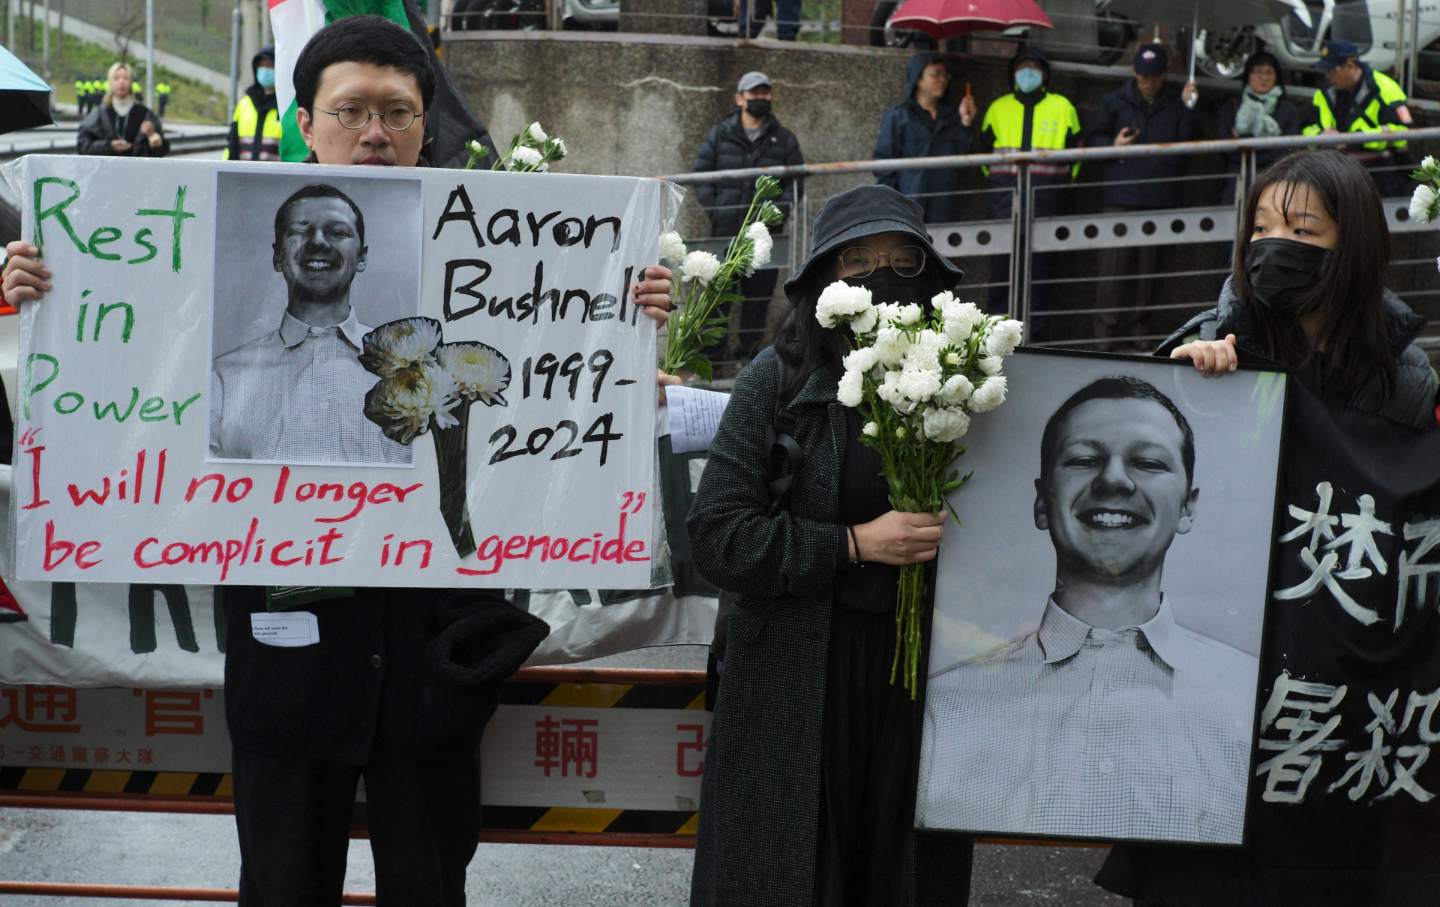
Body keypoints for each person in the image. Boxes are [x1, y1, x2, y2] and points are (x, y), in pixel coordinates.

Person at [4, 15, 675, 906]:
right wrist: (44, 302)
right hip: (286, 673)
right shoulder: (214, 360)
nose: (375, 132)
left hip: (433, 665)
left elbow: (562, 407)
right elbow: (110, 417)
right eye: (351, 109)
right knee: (282, 887)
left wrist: (623, 319)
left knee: (429, 886)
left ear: (425, 131)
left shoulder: (502, 272)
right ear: (306, 126)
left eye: (397, 113)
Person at [1096, 149, 1438, 905]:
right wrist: (1184, 380)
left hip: (1338, 719)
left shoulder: (1407, 378)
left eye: (1301, 228)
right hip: (1220, 714)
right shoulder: (1213, 342)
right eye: (1260, 225)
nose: (1272, 244)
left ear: (1353, 249)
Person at [688, 184, 973, 907]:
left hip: (918, 687)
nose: (880, 275)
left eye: (902, 261)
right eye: (858, 260)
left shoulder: (962, 386)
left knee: (902, 876)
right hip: (799, 675)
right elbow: (717, 536)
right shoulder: (776, 382)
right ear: (822, 279)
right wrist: (851, 544)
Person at [917, 375, 1257, 843]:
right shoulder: (945, 708)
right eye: (1083, 459)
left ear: (1187, 508)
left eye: (1147, 462)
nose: (1114, 480)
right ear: (1042, 501)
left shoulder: (1248, 698)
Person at [210, 184, 410, 465]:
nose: (318, 243)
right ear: (278, 256)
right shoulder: (222, 378)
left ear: (362, 257)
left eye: (338, 232)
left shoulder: (411, 377)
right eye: (301, 231)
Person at [1085, 44, 1199, 348]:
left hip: (1158, 199)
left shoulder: (1176, 103)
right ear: (1134, 72)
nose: (1147, 81)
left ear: (1163, 75)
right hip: (1121, 197)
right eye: (1143, 75)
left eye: (1154, 76)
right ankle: (1105, 335)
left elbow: (1189, 143)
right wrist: (1114, 145)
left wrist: (1190, 106)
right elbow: (1092, 138)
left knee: (1148, 275)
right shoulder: (1114, 101)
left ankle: (1139, 331)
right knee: (1112, 271)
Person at [691, 71, 804, 365]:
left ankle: (748, 362)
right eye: (754, 94)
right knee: (717, 300)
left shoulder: (785, 139)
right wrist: (717, 207)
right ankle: (712, 363)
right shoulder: (720, 134)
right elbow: (701, 175)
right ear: (739, 98)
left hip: (765, 241)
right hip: (725, 234)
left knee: (757, 303)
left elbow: (795, 184)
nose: (760, 99)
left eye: (765, 93)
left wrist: (774, 218)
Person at [975, 46, 1080, 313]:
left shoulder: (1062, 107)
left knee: (1041, 270)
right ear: (1013, 74)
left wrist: (1060, 185)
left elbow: (1077, 153)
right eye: (1022, 68)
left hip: (1046, 198)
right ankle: (996, 329)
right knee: (1001, 267)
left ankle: (1036, 333)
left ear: (1045, 75)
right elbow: (982, 149)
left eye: (1034, 67)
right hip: (1004, 198)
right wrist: (1001, 182)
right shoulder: (998, 107)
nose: (1028, 73)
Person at [874, 52, 977, 225]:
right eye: (935, 74)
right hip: (908, 206)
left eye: (945, 75)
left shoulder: (952, 116)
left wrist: (966, 123)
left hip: (945, 204)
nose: (942, 79)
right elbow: (884, 165)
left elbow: (966, 157)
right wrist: (891, 205)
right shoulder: (899, 116)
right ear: (918, 79)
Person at [1303, 40, 1413, 197]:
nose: (1329, 76)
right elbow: (1307, 128)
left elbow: (1404, 132)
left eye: (1332, 70)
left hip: (1379, 172)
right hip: (1335, 170)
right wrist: (1321, 136)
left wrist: (1354, 139)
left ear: (1349, 65)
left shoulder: (1385, 88)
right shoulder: (1325, 92)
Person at [1216, 51, 1303, 205]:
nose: (1264, 77)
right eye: (1258, 72)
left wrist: (1246, 144)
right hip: (1237, 182)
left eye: (1269, 72)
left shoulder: (1288, 110)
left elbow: (1288, 150)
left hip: (1276, 180)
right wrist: (1267, 145)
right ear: (1248, 75)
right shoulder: (1232, 108)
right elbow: (1224, 145)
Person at [76, 62, 169, 158]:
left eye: (126, 78)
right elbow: (83, 146)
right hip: (107, 170)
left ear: (131, 82)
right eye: (116, 78)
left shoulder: (145, 114)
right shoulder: (98, 115)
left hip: (135, 170)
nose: (121, 82)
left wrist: (153, 137)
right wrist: (109, 146)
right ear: (110, 82)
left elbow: (161, 151)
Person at [226, 47, 281, 162]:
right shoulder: (244, 104)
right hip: (243, 177)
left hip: (276, 177)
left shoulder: (286, 107)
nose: (265, 70)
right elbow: (232, 146)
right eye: (261, 66)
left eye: (270, 65)